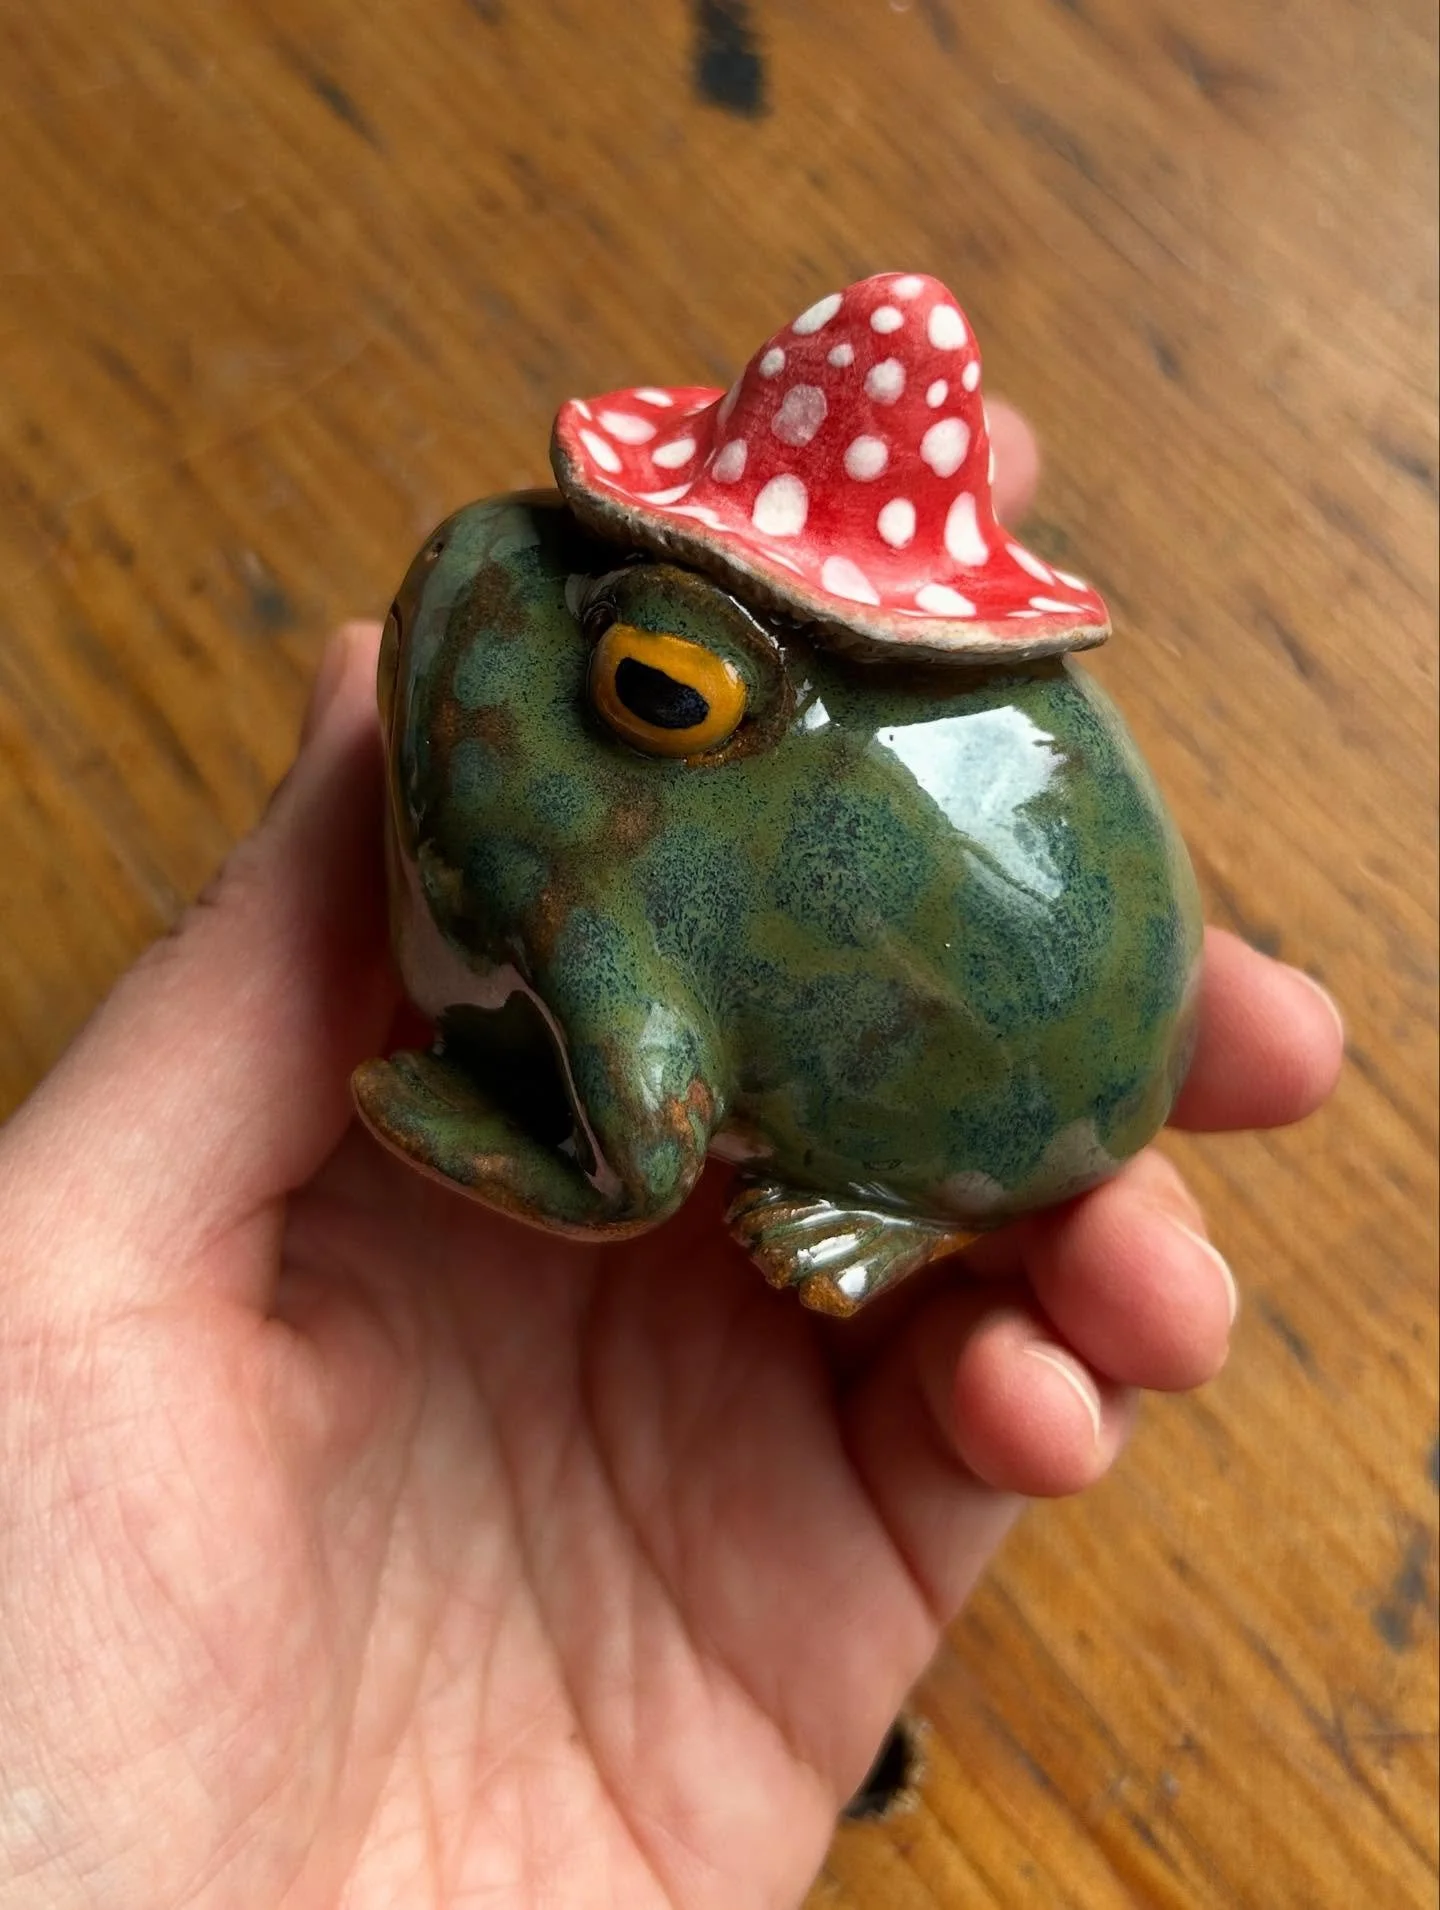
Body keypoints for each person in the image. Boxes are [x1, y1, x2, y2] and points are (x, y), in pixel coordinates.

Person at [0, 412, 1342, 1909]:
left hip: (1008, 1098)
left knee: (1076, 1292)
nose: (493, 558)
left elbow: (633, 1166)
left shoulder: (616, 898)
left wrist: (450, 1114)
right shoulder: (618, 806)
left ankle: (889, 1206)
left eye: (647, 682)